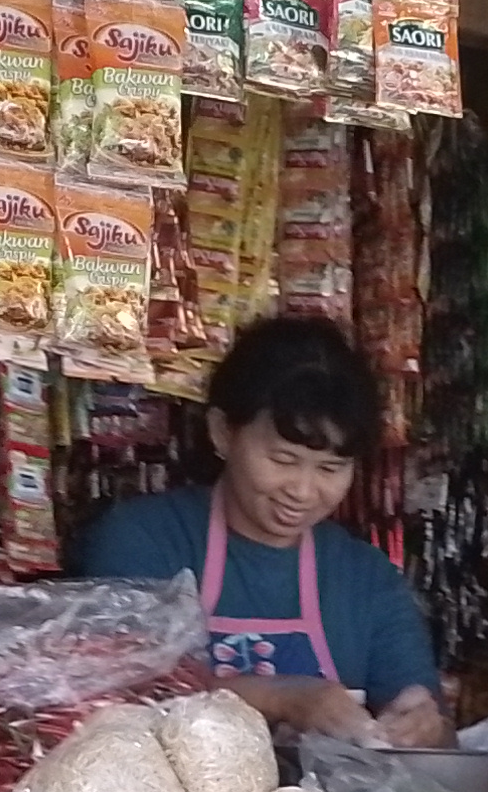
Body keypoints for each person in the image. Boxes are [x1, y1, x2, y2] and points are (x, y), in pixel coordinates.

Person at [77, 315, 453, 748]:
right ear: (223, 433)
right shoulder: (144, 539)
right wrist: (282, 698)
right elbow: (117, 696)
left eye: (331, 468)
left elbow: (436, 730)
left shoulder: (366, 579)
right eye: (283, 460)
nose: (303, 491)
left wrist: (423, 724)